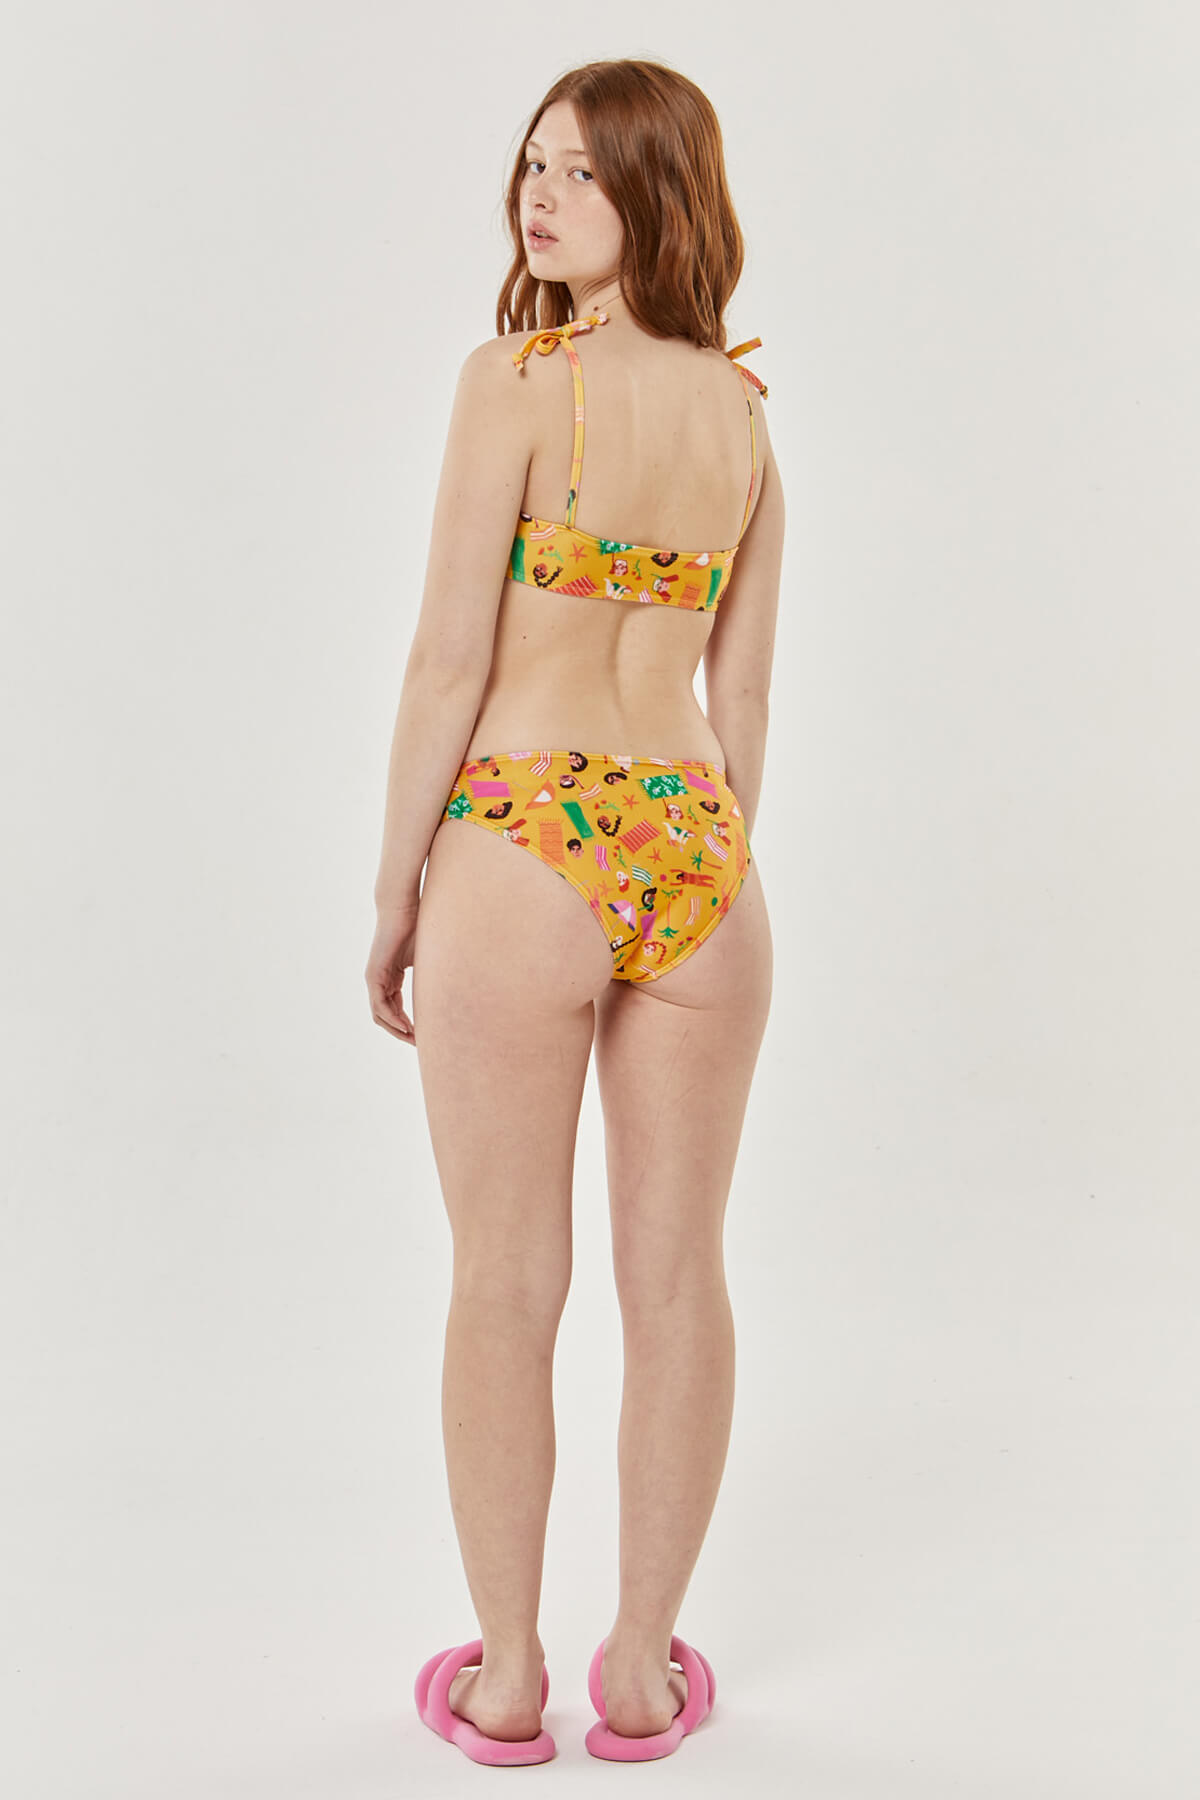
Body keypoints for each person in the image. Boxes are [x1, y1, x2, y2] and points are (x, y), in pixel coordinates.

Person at [365, 57, 785, 1766]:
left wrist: (395, 888)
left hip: (523, 836)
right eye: (533, 165)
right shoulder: (744, 417)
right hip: (696, 850)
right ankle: (641, 1673)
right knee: (677, 1278)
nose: (540, 198)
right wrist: (702, 863)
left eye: (583, 174)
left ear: (655, 197)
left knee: (504, 1281)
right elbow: (742, 704)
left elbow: (446, 662)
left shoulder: (519, 383)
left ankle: (509, 1680)